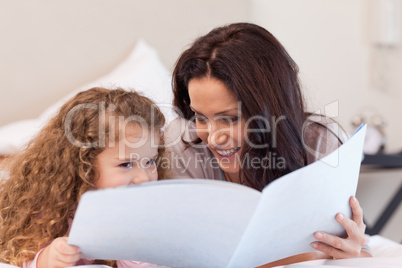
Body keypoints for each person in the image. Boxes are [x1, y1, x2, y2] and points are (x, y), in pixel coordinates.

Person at [165, 22, 371, 264]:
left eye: (230, 119)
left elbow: (341, 246)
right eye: (200, 117)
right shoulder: (184, 147)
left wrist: (355, 250)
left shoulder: (320, 143)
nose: (212, 137)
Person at [0, 87, 169, 267]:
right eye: (126, 164)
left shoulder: (146, 207)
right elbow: (21, 256)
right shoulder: (54, 208)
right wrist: (46, 259)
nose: (143, 178)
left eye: (150, 161)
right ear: (84, 166)